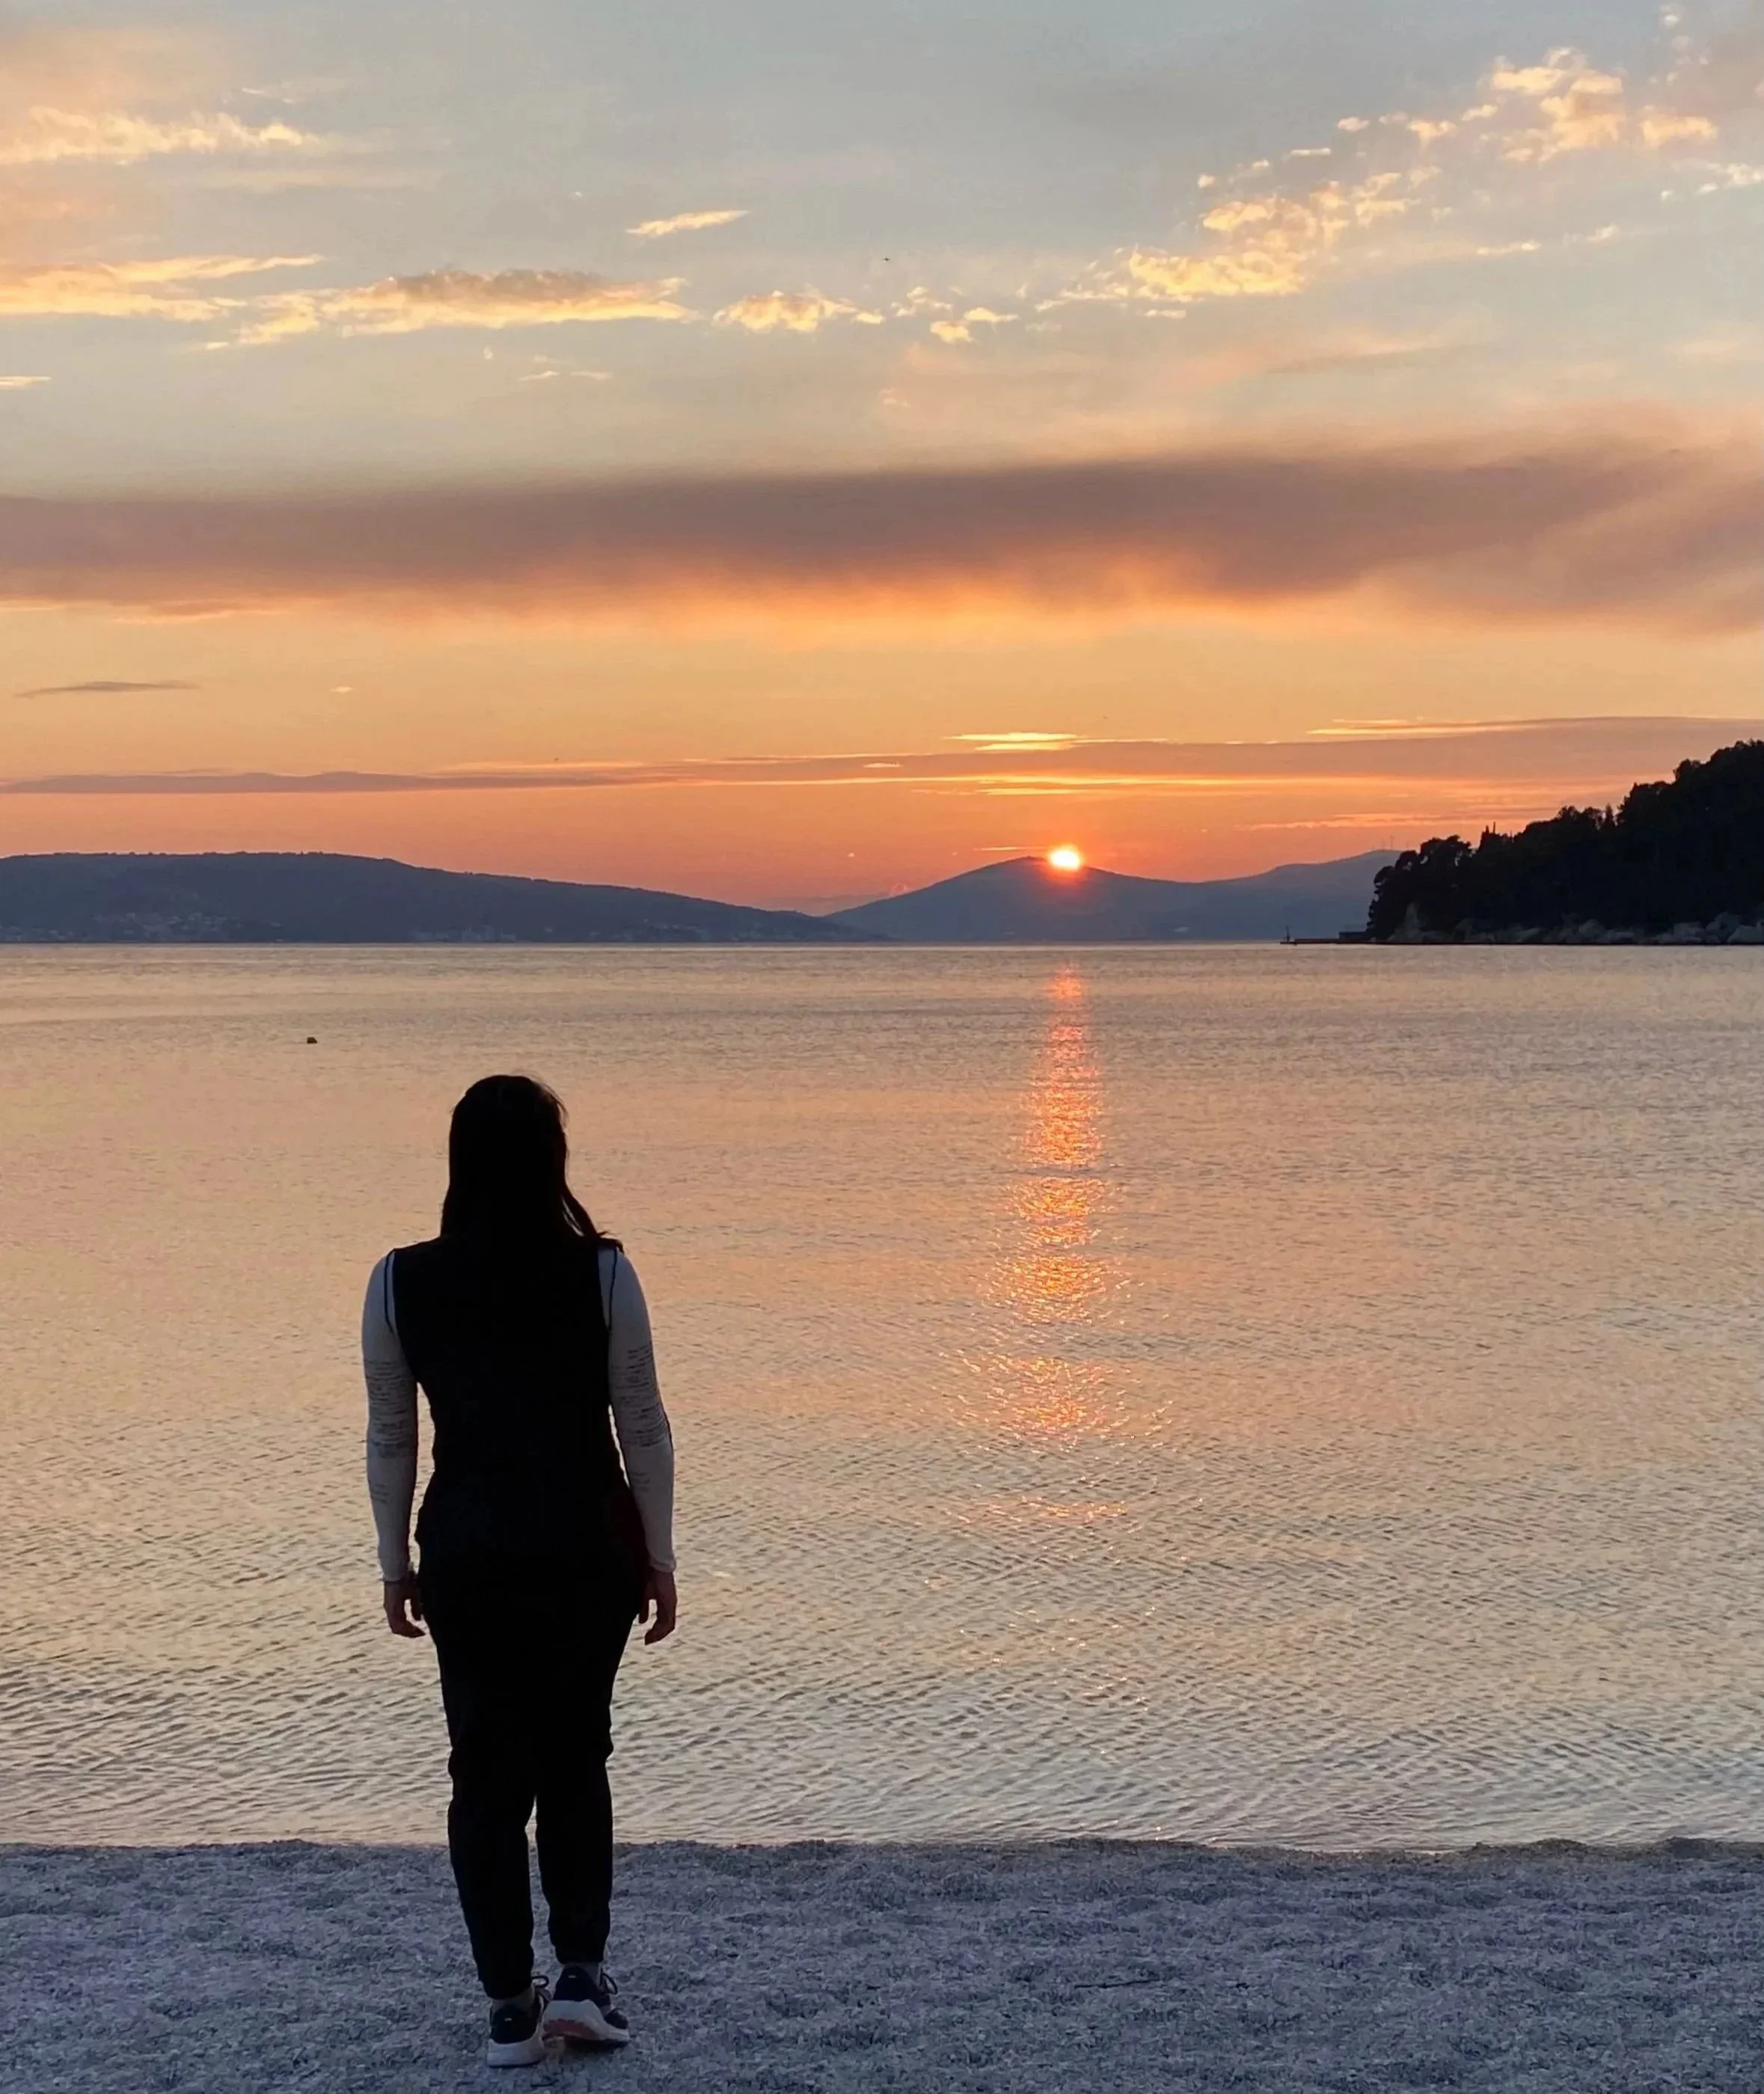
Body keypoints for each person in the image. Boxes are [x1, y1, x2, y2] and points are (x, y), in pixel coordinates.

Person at [361, 1074, 677, 2069]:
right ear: (554, 1160)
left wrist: (392, 1562)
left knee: (484, 1776)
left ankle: (508, 2004)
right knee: (576, 1758)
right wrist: (660, 1554)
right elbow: (643, 1424)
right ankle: (580, 1976)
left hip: (466, 1547)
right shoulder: (605, 1274)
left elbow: (389, 1436)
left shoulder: (399, 1281)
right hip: (586, 1545)